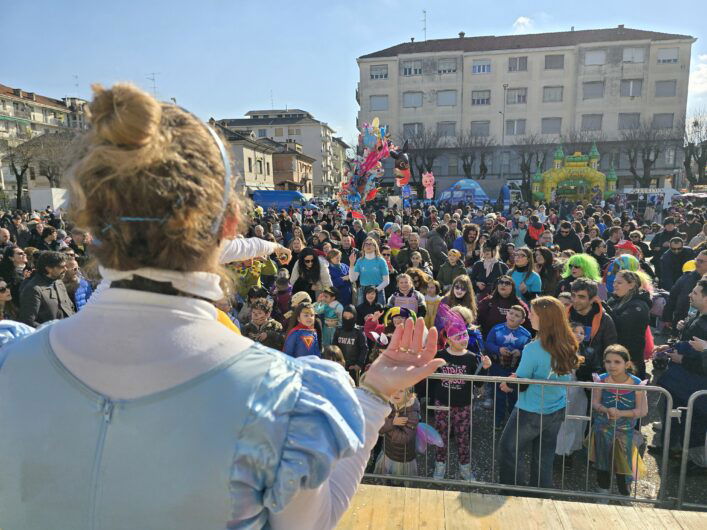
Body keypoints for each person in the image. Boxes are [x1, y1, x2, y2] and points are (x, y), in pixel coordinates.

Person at [0, 83, 450, 528]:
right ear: (229, 223)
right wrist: (372, 399)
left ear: (90, 224)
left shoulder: (9, 365)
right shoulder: (279, 398)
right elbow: (313, 523)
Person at [498, 297, 579, 490]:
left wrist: (510, 383)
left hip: (531, 409)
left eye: (533, 313)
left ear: (544, 318)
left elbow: (522, 381)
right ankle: (539, 494)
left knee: (508, 448)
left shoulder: (533, 348)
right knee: (544, 456)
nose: (530, 317)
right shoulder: (568, 343)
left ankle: (513, 491)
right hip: (557, 407)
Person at [431, 307, 491, 481]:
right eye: (458, 337)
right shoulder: (440, 355)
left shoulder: (472, 357)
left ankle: (465, 469)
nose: (463, 340)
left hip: (463, 404)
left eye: (465, 335)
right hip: (442, 403)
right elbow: (432, 380)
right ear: (448, 340)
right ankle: (439, 466)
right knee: (440, 437)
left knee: (463, 438)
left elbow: (477, 382)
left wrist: (485, 369)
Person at [587, 345, 648, 498]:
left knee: (624, 463)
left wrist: (621, 413)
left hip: (625, 432)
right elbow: (594, 402)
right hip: (602, 429)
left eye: (617, 362)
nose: (612, 365)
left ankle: (624, 494)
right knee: (602, 461)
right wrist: (605, 409)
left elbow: (643, 410)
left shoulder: (636, 383)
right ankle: (603, 491)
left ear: (627, 364)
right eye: (608, 361)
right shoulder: (600, 380)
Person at [485, 305, 533, 427]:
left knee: (514, 395)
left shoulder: (526, 335)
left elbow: (529, 351)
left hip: (515, 369)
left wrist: (520, 352)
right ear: (506, 314)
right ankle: (498, 419)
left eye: (517, 315)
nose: (512, 316)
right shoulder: (496, 329)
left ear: (522, 320)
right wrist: (498, 349)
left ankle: (513, 421)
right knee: (498, 395)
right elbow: (488, 344)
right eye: (511, 313)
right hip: (497, 367)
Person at [567, 278, 617, 380]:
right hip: (567, 372)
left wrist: (602, 375)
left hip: (594, 375)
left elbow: (611, 350)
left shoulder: (605, 320)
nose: (575, 300)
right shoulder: (565, 316)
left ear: (593, 299)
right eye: (573, 295)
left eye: (581, 297)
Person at [607, 271, 651, 379]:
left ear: (631, 285)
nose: (615, 285)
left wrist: (603, 307)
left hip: (631, 359)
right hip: (617, 356)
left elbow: (621, 326)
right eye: (614, 282)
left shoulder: (639, 305)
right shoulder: (616, 300)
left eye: (619, 283)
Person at [18, 250, 75, 327]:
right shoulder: (33, 289)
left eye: (66, 266)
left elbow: (70, 307)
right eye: (62, 267)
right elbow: (28, 321)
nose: (66, 269)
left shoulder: (59, 282)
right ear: (48, 268)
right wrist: (51, 331)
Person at [373, 387, 420, 477]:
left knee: (400, 483)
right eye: (394, 390)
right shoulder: (389, 404)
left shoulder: (412, 412)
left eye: (401, 391)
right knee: (387, 479)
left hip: (403, 457)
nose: (396, 394)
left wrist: (388, 426)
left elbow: (404, 438)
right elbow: (379, 427)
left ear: (408, 393)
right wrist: (393, 422)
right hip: (388, 452)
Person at [662, 249, 707, 331]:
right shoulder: (687, 277)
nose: (697, 263)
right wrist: (667, 317)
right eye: (696, 260)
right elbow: (672, 297)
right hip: (680, 324)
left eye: (701, 261)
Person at [476, 274, 530, 339]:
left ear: (512, 287)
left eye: (507, 283)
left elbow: (528, 325)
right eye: (501, 282)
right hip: (489, 340)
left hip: (514, 342)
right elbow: (477, 319)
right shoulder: (488, 301)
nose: (503, 285)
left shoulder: (520, 305)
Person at [332, 305, 368, 382]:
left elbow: (364, 349)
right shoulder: (338, 331)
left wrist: (359, 364)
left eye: (350, 316)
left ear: (354, 317)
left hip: (353, 368)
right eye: (345, 316)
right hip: (339, 366)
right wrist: (336, 362)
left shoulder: (359, 332)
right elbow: (334, 348)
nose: (347, 319)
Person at [349, 237, 389, 305]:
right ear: (363, 247)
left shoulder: (381, 261)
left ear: (375, 247)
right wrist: (351, 264)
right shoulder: (359, 261)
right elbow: (353, 279)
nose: (368, 246)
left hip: (378, 290)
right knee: (362, 314)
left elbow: (386, 281)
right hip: (363, 290)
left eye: (370, 244)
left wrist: (375, 290)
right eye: (366, 244)